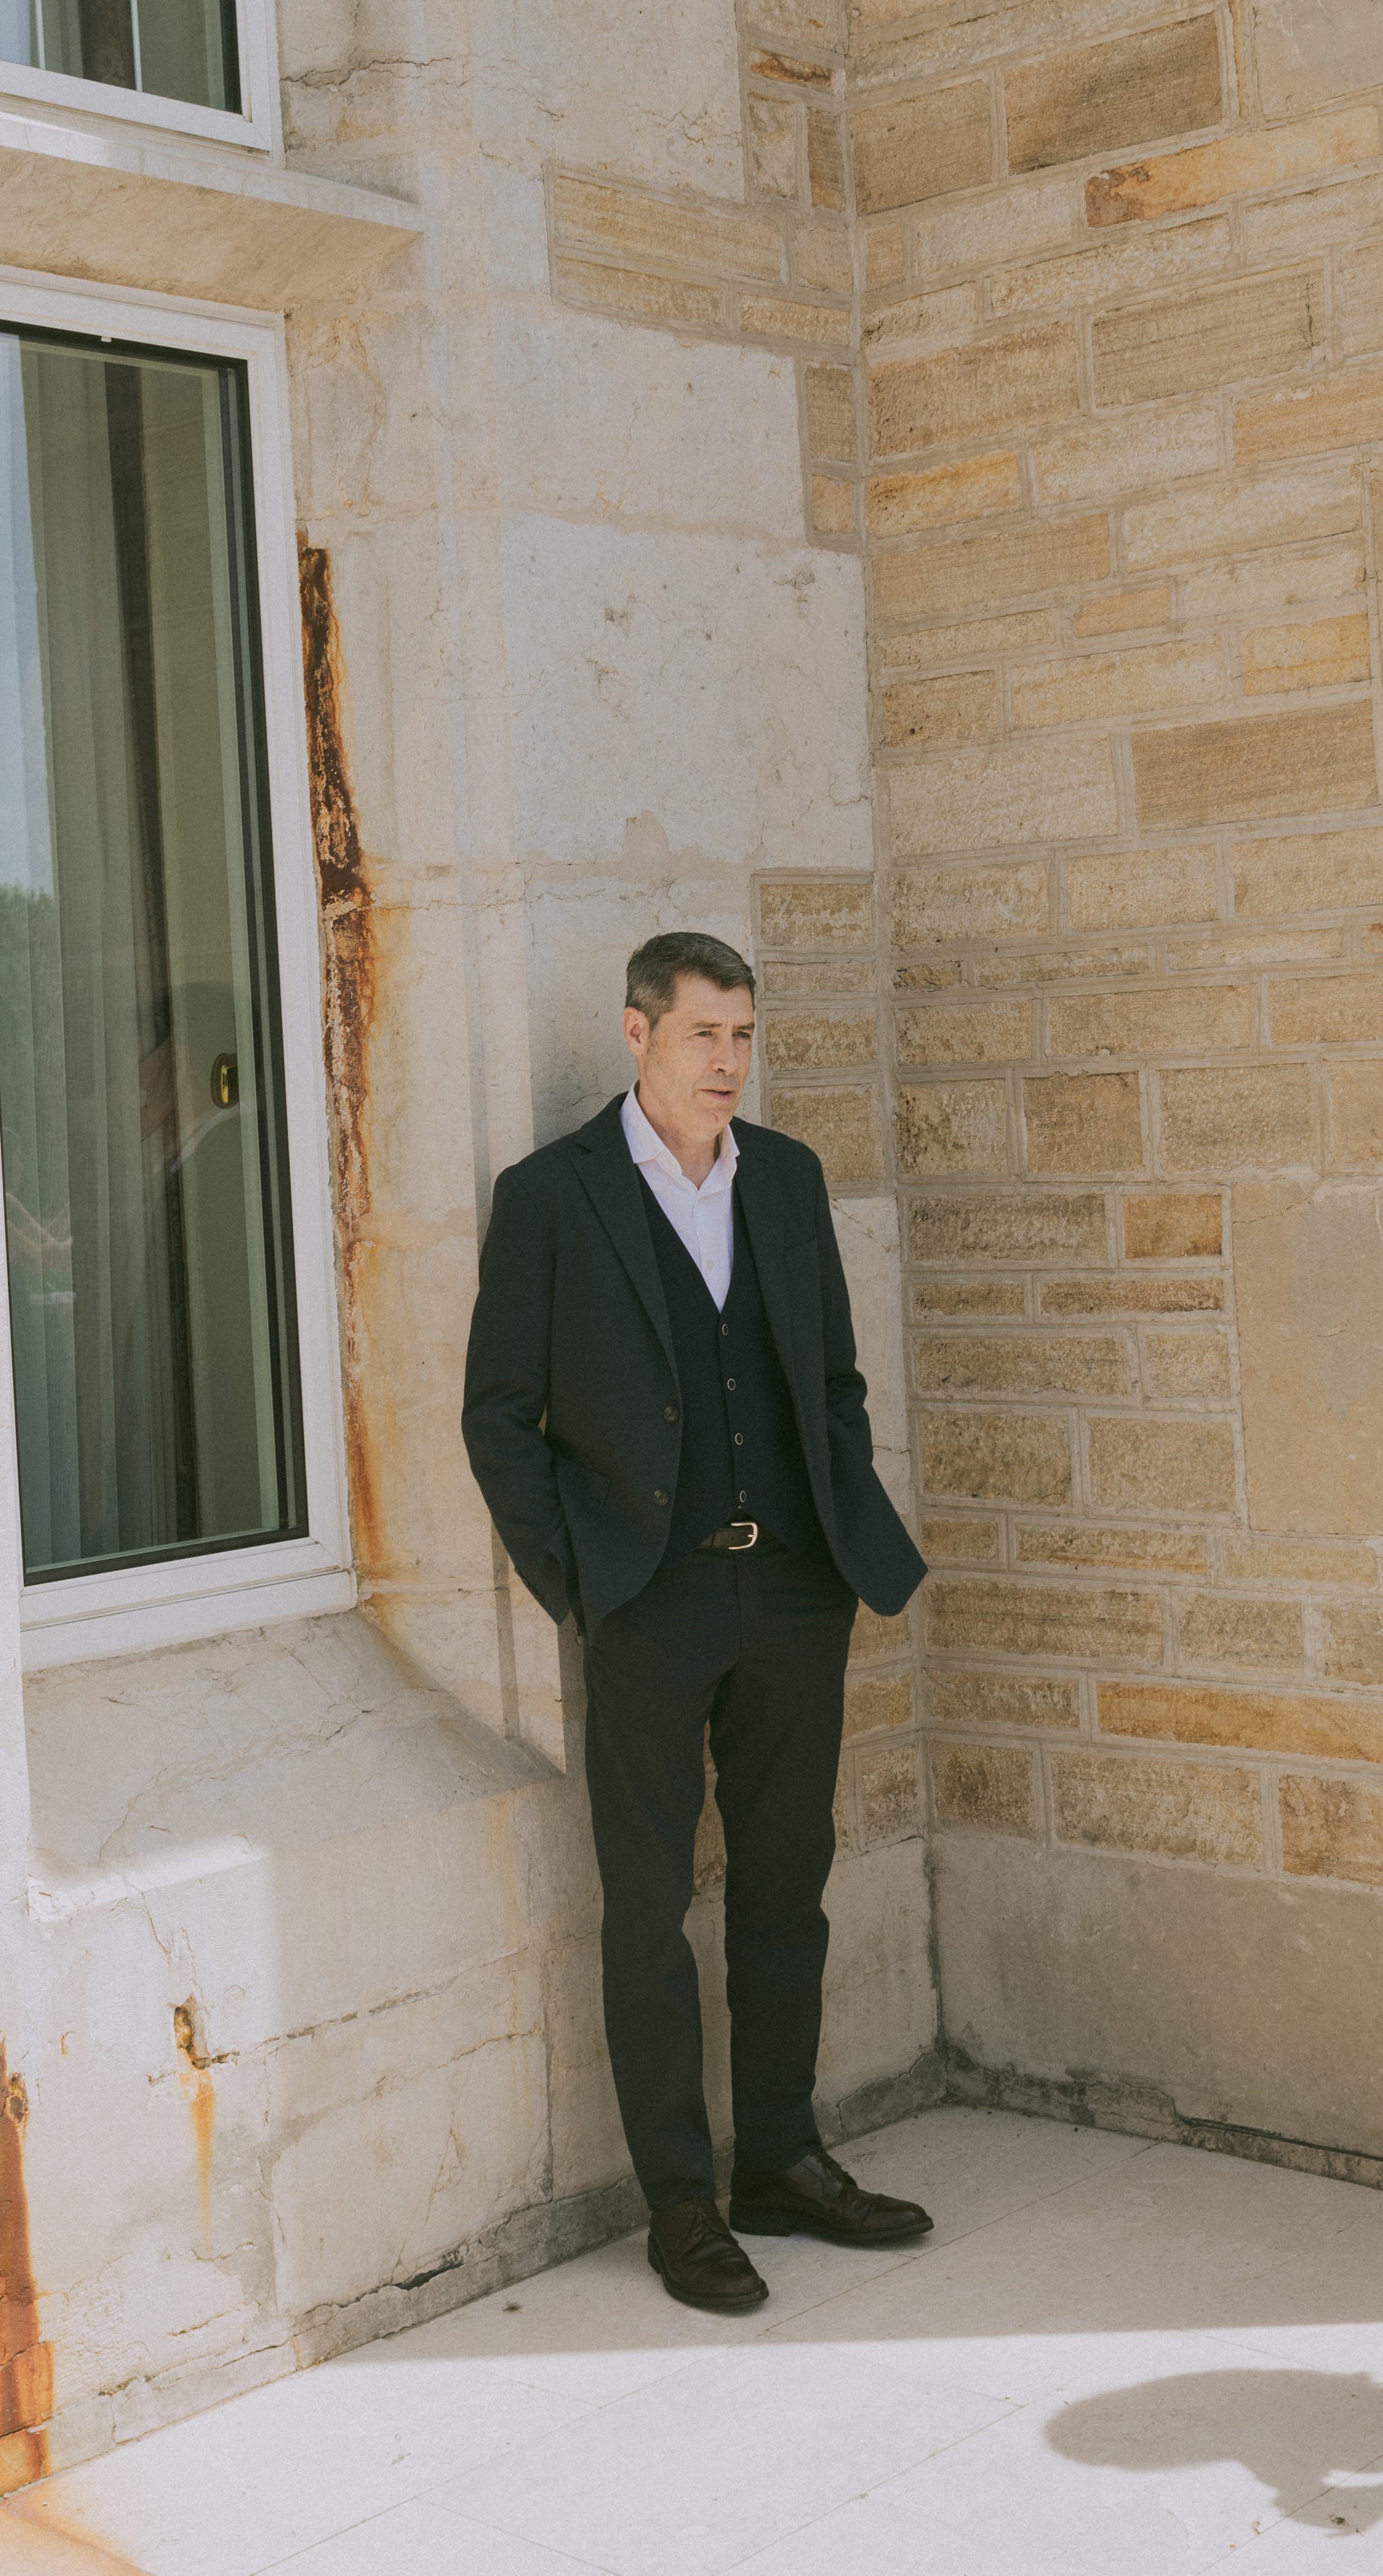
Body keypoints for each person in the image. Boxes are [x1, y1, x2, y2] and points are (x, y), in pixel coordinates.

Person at [462, 930, 932, 2310]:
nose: (727, 1061)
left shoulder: (783, 1177)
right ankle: (680, 2201)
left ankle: (780, 2156)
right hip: (649, 1603)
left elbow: (833, 1377)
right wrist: (585, 1579)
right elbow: (500, 1418)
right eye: (701, 1035)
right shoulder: (553, 1197)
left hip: (791, 1588)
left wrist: (831, 1537)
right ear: (636, 1033)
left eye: (741, 1035)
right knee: (650, 1910)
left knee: (789, 1886)